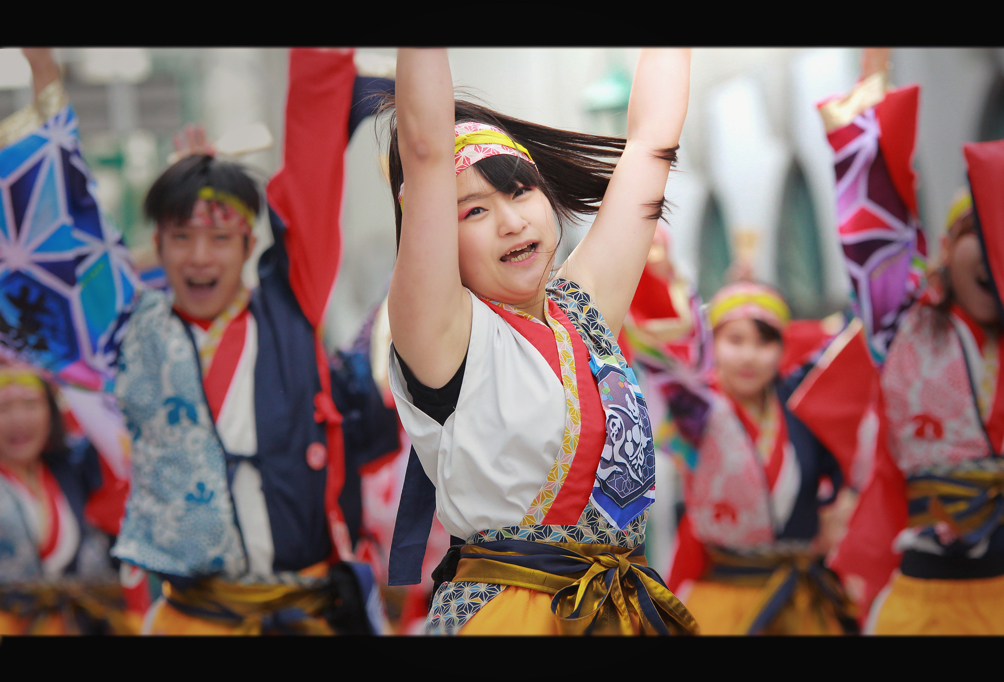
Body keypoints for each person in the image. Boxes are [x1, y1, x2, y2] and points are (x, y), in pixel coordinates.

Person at [70, 48, 399, 635]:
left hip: (306, 612)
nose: (200, 257)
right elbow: (69, 276)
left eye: (220, 237)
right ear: (158, 247)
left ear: (250, 246)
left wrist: (322, 65)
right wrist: (185, 189)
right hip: (192, 618)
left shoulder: (290, 304)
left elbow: (309, 176)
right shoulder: (132, 328)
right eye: (181, 237)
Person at [384, 48, 697, 635]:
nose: (511, 221)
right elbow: (425, 153)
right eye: (473, 211)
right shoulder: (442, 335)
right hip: (508, 618)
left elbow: (653, 138)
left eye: (521, 192)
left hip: (617, 613)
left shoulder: (582, 310)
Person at [794, 47, 1004, 635]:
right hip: (927, 603)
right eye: (978, 233)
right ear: (946, 248)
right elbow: (878, 235)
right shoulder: (902, 321)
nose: (997, 256)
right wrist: (871, 115)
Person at [634, 268, 856, 635]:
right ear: (712, 346)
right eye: (735, 340)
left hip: (802, 601)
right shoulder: (696, 412)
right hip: (724, 598)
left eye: (763, 342)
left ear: (782, 349)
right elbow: (657, 352)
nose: (749, 356)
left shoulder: (804, 409)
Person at [0, 365, 135, 635]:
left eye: (31, 404)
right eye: (3, 408)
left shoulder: (74, 471)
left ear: (52, 411)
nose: (19, 419)